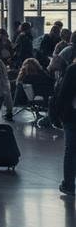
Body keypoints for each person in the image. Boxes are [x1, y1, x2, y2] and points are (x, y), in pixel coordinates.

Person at [51, 60, 76, 198]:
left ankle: (69, 185)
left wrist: (58, 114)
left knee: (71, 151)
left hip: (72, 115)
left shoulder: (73, 69)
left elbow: (63, 93)